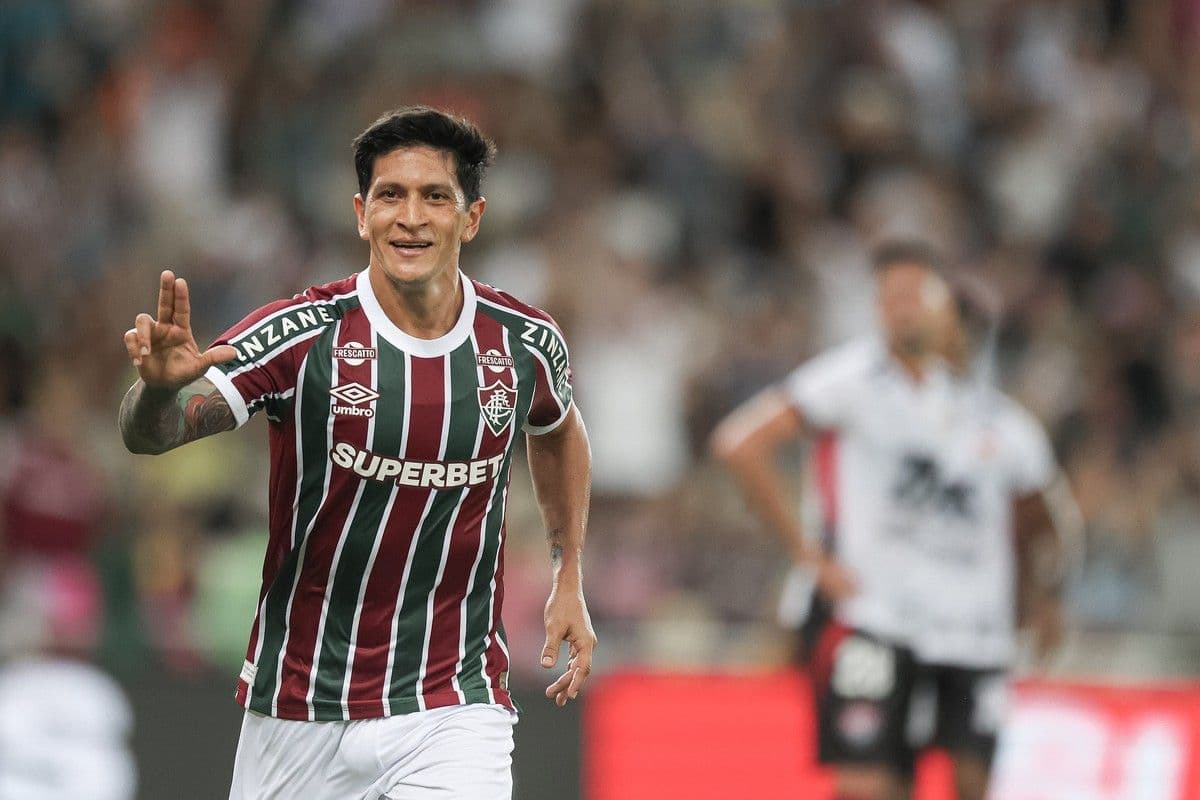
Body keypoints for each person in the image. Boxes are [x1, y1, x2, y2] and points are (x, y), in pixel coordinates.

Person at [118, 106, 596, 800]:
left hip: (454, 700)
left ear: (472, 218)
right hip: (301, 702)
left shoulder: (523, 341)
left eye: (435, 196)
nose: (410, 217)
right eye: (390, 195)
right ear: (360, 213)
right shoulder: (303, 334)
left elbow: (557, 429)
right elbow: (154, 432)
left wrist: (568, 569)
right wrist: (158, 393)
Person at [711, 242, 1078, 800]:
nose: (903, 311)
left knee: (971, 780)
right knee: (867, 780)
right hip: (875, 616)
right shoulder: (853, 378)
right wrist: (809, 555)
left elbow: (1044, 519)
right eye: (890, 298)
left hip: (972, 630)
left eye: (916, 297)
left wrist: (1045, 594)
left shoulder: (1001, 422)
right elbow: (740, 444)